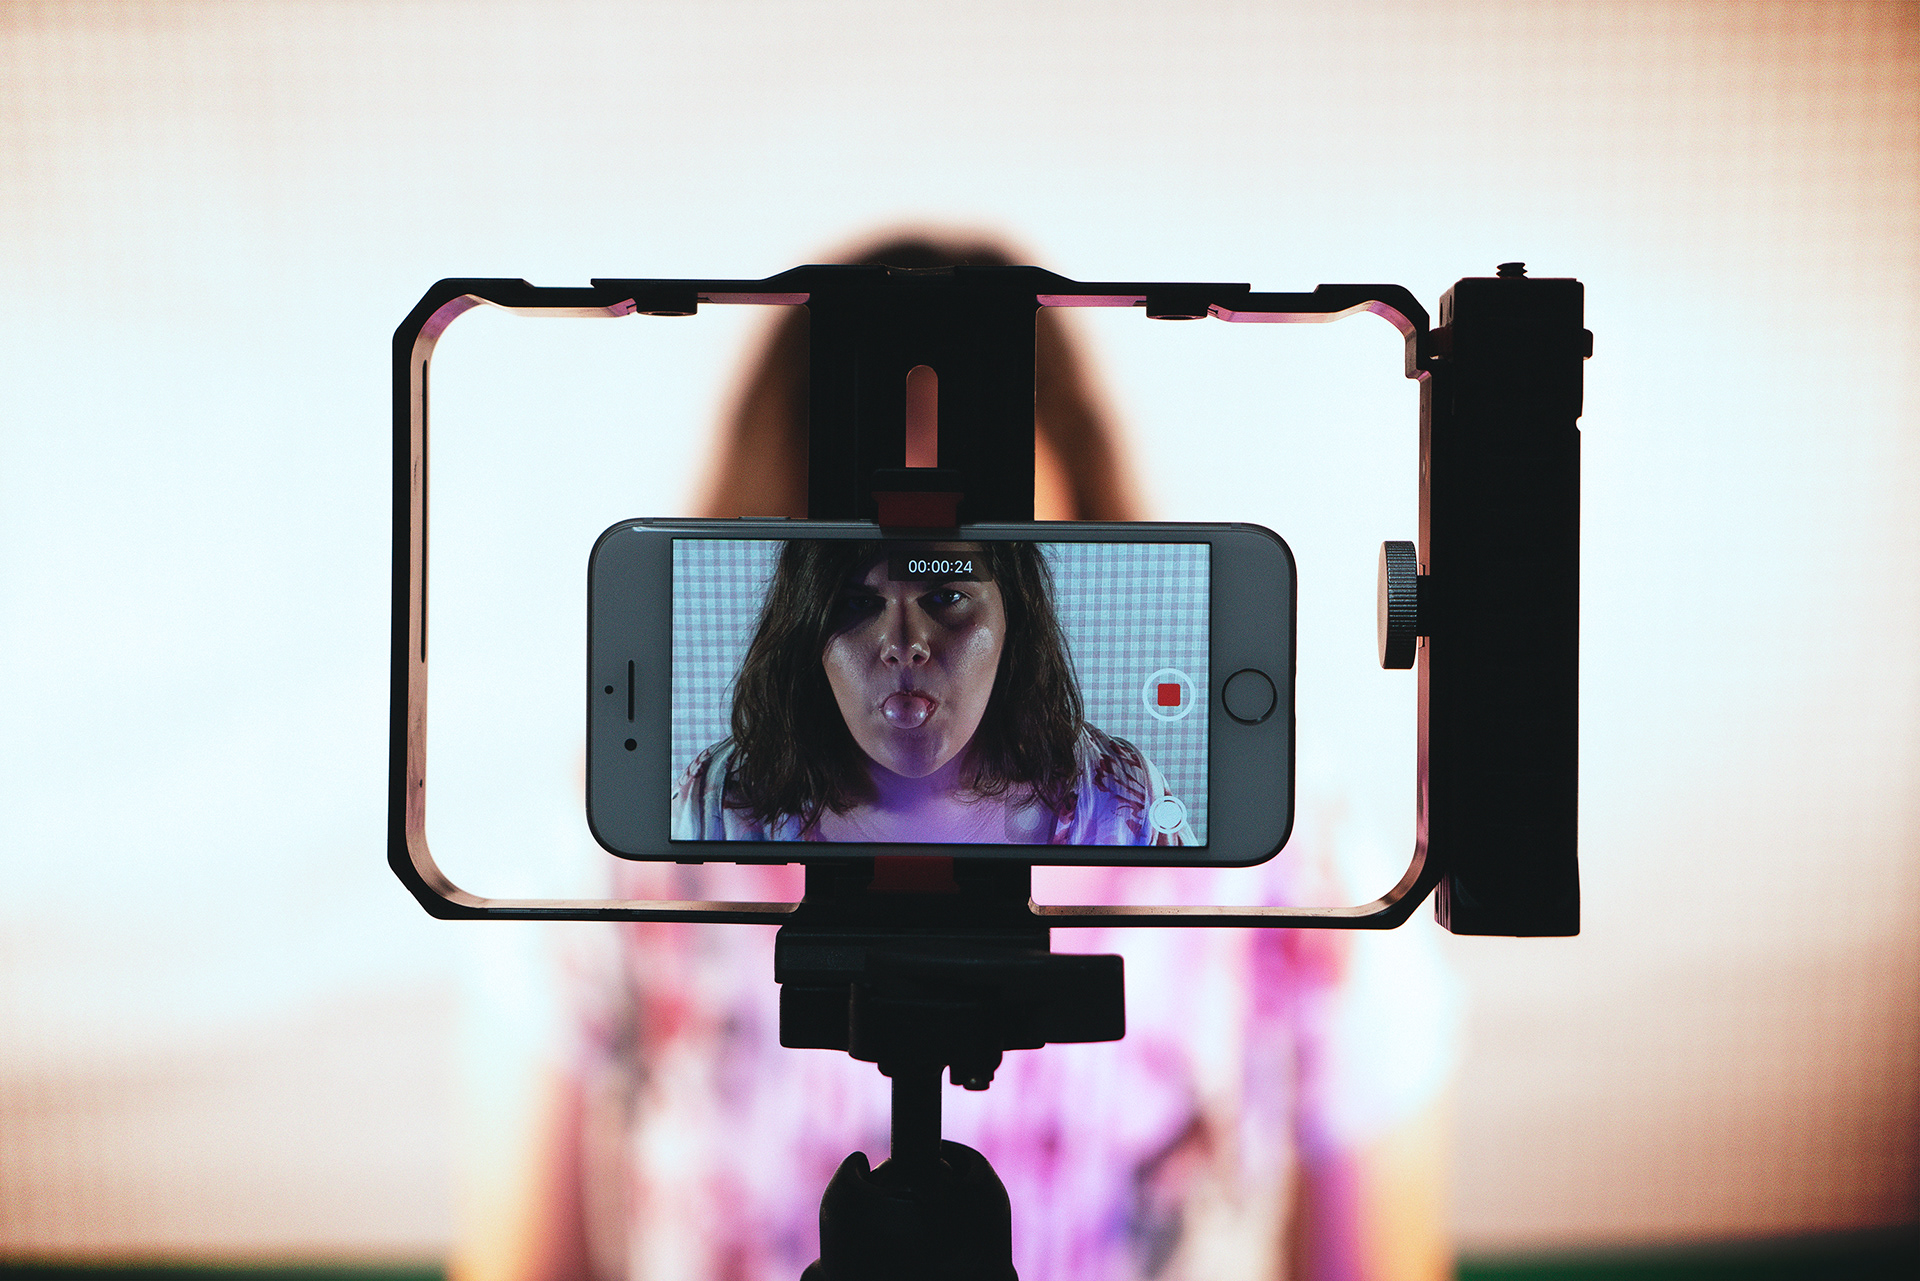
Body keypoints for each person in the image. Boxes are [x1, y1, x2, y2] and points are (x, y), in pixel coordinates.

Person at [469, 231, 1460, 1281]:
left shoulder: (1278, 851)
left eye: (961, 579)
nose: (911, 657)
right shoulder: (633, 840)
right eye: (856, 583)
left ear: (1063, 585)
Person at [671, 538, 1193, 846]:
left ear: (1012, 621)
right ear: (806, 632)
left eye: (945, 597)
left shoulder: (1119, 795)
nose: (904, 646)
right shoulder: (720, 799)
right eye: (856, 604)